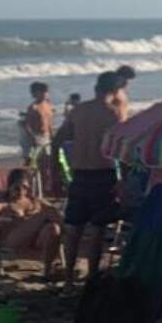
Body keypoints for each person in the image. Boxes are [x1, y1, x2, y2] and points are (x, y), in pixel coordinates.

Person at [52, 71, 127, 291]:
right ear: (114, 91)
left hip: (79, 174)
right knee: (97, 229)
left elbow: (58, 140)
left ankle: (68, 280)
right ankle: (92, 278)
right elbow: (120, 150)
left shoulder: (78, 110)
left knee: (74, 229)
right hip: (102, 175)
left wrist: (56, 170)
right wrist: (122, 179)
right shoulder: (114, 114)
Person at [0, 169, 62, 279]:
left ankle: (47, 270)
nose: (21, 191)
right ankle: (71, 236)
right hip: (14, 237)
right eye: (17, 188)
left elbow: (55, 212)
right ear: (10, 186)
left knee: (54, 227)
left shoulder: (35, 200)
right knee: (47, 213)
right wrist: (5, 220)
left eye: (24, 187)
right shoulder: (4, 202)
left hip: (36, 239)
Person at [23, 82, 53, 165]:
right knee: (31, 164)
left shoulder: (48, 104)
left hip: (47, 137)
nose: (45, 94)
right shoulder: (33, 107)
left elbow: (49, 122)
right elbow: (26, 125)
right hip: (37, 137)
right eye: (43, 92)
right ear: (37, 93)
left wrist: (52, 135)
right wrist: (33, 138)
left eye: (46, 92)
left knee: (48, 162)